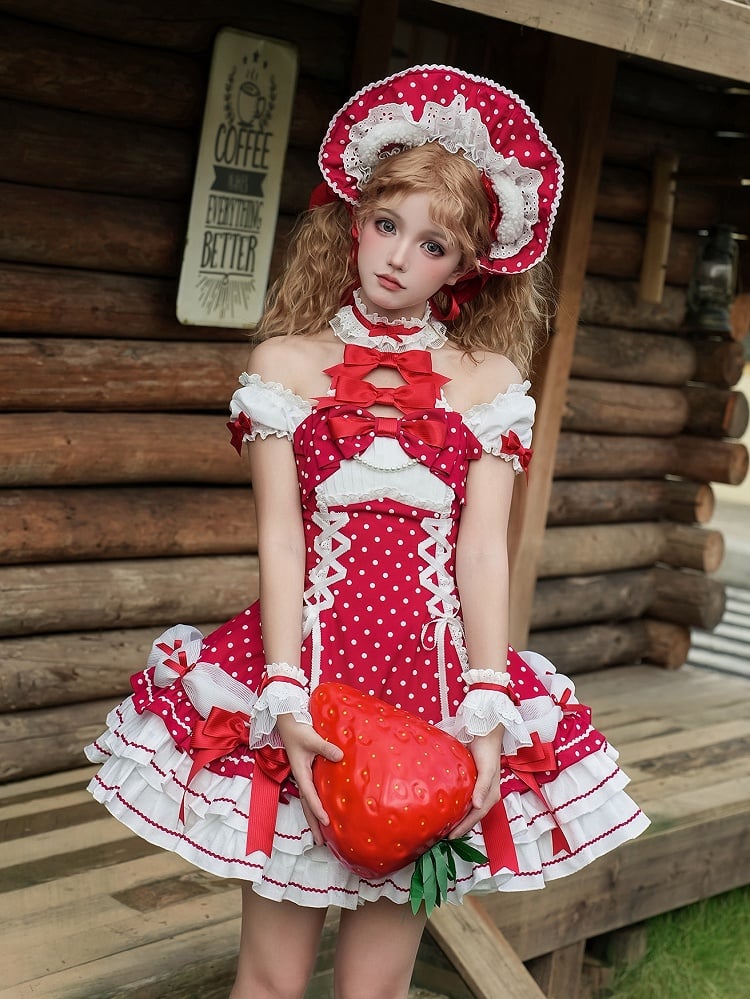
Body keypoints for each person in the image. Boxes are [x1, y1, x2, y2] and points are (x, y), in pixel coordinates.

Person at [86, 65, 649, 998]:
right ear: (354, 219)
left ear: (467, 265)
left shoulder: (489, 385)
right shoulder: (285, 365)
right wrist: (283, 696)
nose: (397, 257)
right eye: (387, 224)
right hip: (306, 675)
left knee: (377, 990)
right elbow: (280, 540)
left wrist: (485, 705)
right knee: (267, 980)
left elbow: (480, 552)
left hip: (431, 693)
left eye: (431, 244)